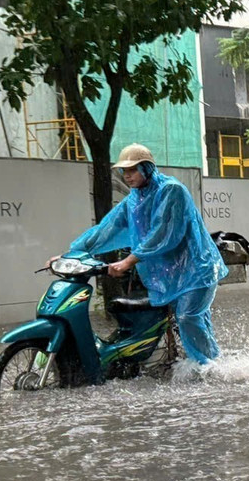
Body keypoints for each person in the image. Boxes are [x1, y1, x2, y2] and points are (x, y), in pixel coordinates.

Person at [59, 143, 228, 364]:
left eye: (133, 170)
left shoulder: (171, 190)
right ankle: (211, 363)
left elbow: (163, 233)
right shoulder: (134, 199)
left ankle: (210, 368)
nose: (128, 176)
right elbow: (106, 229)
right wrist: (71, 253)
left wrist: (129, 261)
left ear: (147, 168)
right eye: (124, 171)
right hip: (172, 275)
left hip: (197, 269)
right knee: (192, 320)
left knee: (188, 317)